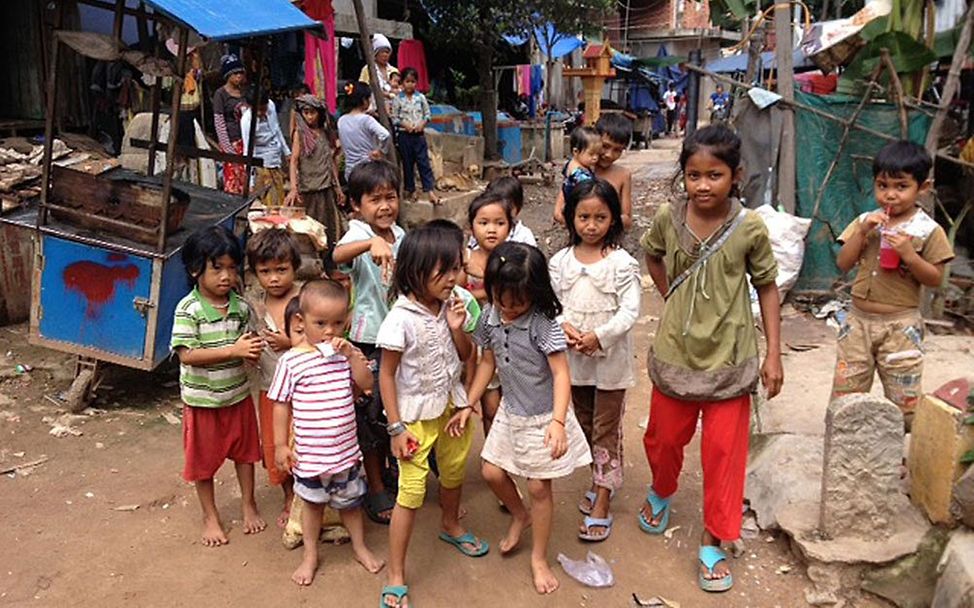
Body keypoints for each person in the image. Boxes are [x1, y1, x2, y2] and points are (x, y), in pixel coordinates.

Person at [638, 125, 783, 592]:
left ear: (735, 175)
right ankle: (662, 489)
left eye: (714, 175)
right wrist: (671, 299)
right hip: (675, 354)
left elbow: (766, 287)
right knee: (663, 439)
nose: (703, 185)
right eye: (694, 174)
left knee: (724, 454)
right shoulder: (667, 216)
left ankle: (714, 535)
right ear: (683, 175)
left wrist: (774, 354)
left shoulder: (750, 227)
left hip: (731, 358)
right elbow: (653, 257)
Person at [467, 241, 592, 595]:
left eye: (517, 302)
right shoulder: (491, 315)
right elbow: (487, 361)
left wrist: (557, 422)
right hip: (511, 412)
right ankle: (519, 515)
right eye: (500, 299)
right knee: (491, 470)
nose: (508, 309)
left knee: (539, 486)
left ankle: (539, 557)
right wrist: (468, 403)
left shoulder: (543, 324)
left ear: (535, 294)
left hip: (543, 416)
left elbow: (561, 374)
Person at [376, 220, 488, 608]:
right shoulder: (400, 318)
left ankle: (450, 524)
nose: (453, 278)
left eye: (456, 268)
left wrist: (458, 328)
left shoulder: (452, 305)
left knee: (454, 469)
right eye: (443, 271)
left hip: (451, 406)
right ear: (415, 271)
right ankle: (396, 575)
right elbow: (386, 375)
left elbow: (465, 356)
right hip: (413, 417)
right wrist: (395, 427)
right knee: (410, 490)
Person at [269, 280, 386, 585]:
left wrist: (351, 355)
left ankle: (360, 547)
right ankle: (311, 555)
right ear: (301, 321)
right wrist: (280, 445)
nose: (329, 331)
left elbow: (365, 384)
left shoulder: (345, 354)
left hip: (345, 452)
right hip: (310, 456)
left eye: (337, 323)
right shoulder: (291, 362)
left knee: (351, 504)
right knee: (313, 506)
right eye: (320, 323)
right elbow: (280, 405)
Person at [832, 141, 953, 425]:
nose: (890, 195)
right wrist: (862, 232)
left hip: (901, 326)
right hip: (857, 323)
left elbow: (935, 280)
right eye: (882, 186)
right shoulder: (866, 221)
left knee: (903, 397)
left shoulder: (927, 230)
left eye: (901, 186)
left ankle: (895, 456)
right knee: (847, 393)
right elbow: (843, 263)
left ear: (923, 188)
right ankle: (846, 450)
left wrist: (909, 255)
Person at [549, 179, 641, 543]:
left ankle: (602, 498)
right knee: (584, 426)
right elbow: (552, 305)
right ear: (570, 218)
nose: (591, 225)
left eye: (600, 217)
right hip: (574, 364)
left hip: (611, 364)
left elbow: (631, 309)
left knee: (606, 429)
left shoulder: (621, 263)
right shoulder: (559, 262)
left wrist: (598, 337)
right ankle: (601, 479)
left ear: (613, 218)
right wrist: (566, 328)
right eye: (583, 216)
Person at [170, 225, 265, 547]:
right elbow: (187, 355)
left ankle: (248, 503)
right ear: (196, 269)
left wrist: (252, 350)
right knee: (202, 464)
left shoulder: (239, 306)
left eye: (232, 268)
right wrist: (232, 351)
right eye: (217, 268)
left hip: (237, 396)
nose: (226, 276)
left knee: (246, 455)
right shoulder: (188, 309)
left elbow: (247, 341)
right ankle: (210, 516)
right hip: (203, 402)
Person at [332, 159, 405, 526]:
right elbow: (336, 256)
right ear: (357, 205)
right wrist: (369, 243)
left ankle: (392, 473)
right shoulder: (356, 234)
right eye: (375, 199)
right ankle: (375, 486)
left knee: (397, 412)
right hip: (370, 340)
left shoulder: (402, 236)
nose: (385, 206)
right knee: (370, 416)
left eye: (390, 197)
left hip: (401, 341)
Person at [245, 228, 303, 528]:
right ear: (255, 273)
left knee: (308, 441)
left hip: (307, 389)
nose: (274, 278)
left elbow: (323, 339)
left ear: (295, 266)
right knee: (276, 443)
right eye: (265, 272)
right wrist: (249, 352)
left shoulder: (306, 299)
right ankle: (290, 495)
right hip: (271, 387)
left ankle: (314, 494)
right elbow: (250, 341)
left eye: (281, 270)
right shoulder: (254, 305)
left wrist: (291, 343)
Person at [464, 191, 514, 437]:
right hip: (480, 345)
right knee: (490, 407)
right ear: (471, 227)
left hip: (513, 341)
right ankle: (493, 457)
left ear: (510, 226)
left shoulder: (515, 260)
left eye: (499, 223)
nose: (491, 230)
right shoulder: (465, 260)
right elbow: (457, 296)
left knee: (515, 406)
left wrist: (483, 289)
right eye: (483, 223)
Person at [286, 94, 345, 252]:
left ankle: (329, 263)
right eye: (306, 113)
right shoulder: (301, 134)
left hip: (326, 187)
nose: (309, 117)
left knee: (330, 227)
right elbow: (294, 161)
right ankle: (314, 263)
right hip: (309, 188)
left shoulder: (325, 133)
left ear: (319, 113)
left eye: (312, 112)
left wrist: (337, 187)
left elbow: (330, 161)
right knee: (311, 228)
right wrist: (293, 188)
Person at [555, 114, 633, 230]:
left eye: (617, 150)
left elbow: (627, 219)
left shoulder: (623, 175)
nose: (609, 154)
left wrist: (602, 225)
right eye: (605, 146)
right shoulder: (578, 171)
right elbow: (558, 212)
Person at [391, 67, 439, 204]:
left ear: (416, 83)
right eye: (407, 81)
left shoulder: (421, 98)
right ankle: (411, 190)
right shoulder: (398, 100)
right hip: (405, 136)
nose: (410, 84)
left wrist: (422, 124)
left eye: (413, 81)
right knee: (408, 164)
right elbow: (394, 118)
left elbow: (427, 114)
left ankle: (429, 190)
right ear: (402, 83)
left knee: (423, 162)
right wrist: (404, 125)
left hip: (419, 135)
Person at [242, 98, 291, 207]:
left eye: (264, 109)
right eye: (258, 110)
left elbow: (276, 129)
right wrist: (250, 181)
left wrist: (286, 151)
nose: (262, 113)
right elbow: (247, 150)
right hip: (262, 164)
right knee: (269, 202)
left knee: (280, 198)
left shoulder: (271, 105)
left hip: (276, 159)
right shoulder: (247, 121)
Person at [338, 82, 391, 180]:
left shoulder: (341, 120)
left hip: (350, 171)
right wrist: (380, 151)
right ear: (364, 100)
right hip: (368, 168)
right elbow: (385, 135)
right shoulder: (366, 120)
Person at [212, 54, 249, 194]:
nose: (239, 76)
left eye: (240, 72)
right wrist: (227, 148)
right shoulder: (220, 94)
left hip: (245, 141)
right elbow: (219, 122)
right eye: (235, 73)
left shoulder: (244, 92)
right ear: (228, 75)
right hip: (231, 141)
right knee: (234, 179)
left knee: (247, 178)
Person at [484, 176, 537, 246]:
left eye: (508, 208)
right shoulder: (482, 230)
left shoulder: (524, 236)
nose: (501, 212)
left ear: (518, 207)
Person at [359, 34, 400, 111]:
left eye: (387, 52)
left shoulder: (394, 71)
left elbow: (400, 88)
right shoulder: (367, 69)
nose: (385, 55)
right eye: (382, 52)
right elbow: (362, 89)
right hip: (373, 109)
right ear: (375, 53)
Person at [560, 126, 601, 202]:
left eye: (598, 154)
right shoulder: (578, 173)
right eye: (591, 154)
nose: (595, 158)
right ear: (576, 151)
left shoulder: (573, 163)